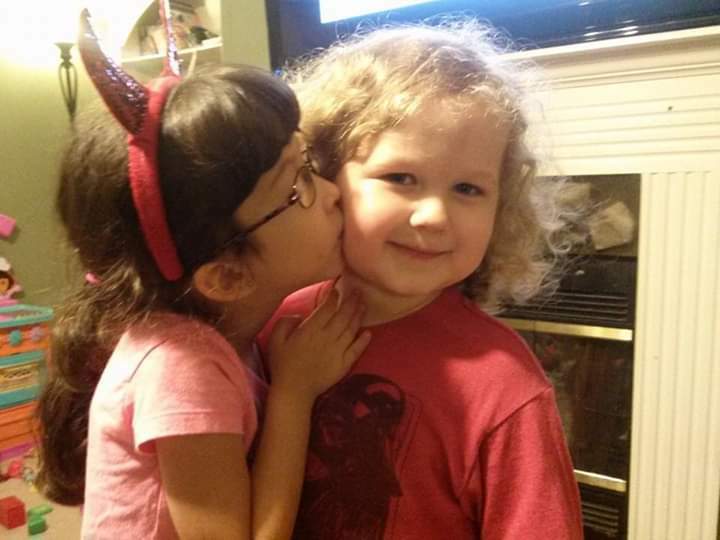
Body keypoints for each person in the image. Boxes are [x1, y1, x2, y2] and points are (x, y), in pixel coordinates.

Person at [34, 9, 370, 540]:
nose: (333, 192)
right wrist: (294, 394)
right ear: (227, 277)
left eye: (308, 160)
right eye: (298, 184)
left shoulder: (224, 325)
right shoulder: (182, 368)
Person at [264, 19, 585, 539]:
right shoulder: (278, 322)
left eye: (467, 189)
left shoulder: (504, 386)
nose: (434, 216)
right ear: (325, 176)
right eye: (401, 178)